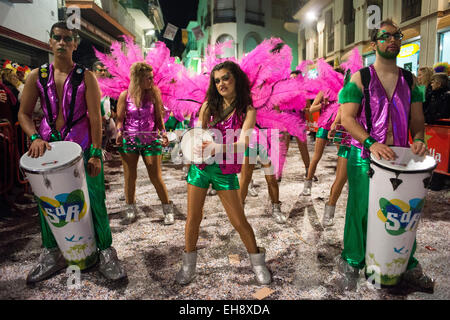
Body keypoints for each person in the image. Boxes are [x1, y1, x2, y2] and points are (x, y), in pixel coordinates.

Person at [18, 21, 126, 283]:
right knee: (47, 203)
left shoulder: (85, 76)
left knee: (95, 199)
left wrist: (96, 153)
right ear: (50, 41)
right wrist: (33, 137)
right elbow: (23, 113)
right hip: (47, 150)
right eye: (58, 38)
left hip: (82, 148)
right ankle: (52, 253)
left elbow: (96, 117)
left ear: (75, 44)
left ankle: (105, 252)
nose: (63, 43)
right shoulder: (36, 76)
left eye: (68, 39)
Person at [339, 19, 433, 291]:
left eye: (396, 36)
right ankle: (352, 261)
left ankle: (407, 264)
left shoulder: (410, 80)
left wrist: (417, 139)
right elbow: (347, 118)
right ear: (374, 43)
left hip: (399, 159)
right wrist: (370, 143)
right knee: (361, 211)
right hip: (364, 157)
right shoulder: (360, 78)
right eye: (385, 36)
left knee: (405, 215)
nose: (392, 40)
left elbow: (418, 119)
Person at [176, 61, 271, 285]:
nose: (221, 84)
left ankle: (258, 263)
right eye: (217, 80)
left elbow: (243, 144)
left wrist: (215, 148)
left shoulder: (248, 110)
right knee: (193, 218)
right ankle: (188, 266)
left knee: (239, 221)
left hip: (225, 171)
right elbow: (199, 131)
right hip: (201, 169)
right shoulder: (209, 105)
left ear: (236, 78)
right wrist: (191, 142)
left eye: (226, 78)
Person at [115, 62, 174, 225]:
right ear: (138, 78)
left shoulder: (154, 93)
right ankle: (130, 208)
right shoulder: (124, 95)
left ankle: (167, 209)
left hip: (151, 139)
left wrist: (163, 134)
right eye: (148, 78)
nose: (152, 81)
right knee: (130, 177)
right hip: (130, 140)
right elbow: (120, 120)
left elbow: (158, 118)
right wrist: (119, 133)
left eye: (152, 77)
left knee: (155, 176)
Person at [239, 126, 287, 224]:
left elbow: (276, 116)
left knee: (271, 178)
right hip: (250, 140)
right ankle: (239, 211)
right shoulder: (248, 110)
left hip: (267, 140)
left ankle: (276, 208)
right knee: (245, 178)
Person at [322, 108, 350, 227]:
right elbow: (341, 110)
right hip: (349, 140)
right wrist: (334, 127)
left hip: (371, 142)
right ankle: (329, 209)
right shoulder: (352, 91)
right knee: (340, 179)